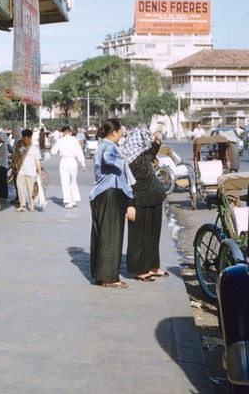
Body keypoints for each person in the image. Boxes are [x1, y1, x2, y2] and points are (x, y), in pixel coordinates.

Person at [89, 118, 134, 288]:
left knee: (103, 236)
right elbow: (108, 160)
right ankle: (109, 278)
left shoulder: (104, 145)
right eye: (120, 132)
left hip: (102, 195)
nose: (122, 135)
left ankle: (102, 274)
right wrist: (123, 160)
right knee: (111, 237)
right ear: (113, 132)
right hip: (109, 194)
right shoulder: (108, 147)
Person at [123, 128, 168, 282]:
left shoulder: (141, 155)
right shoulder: (127, 160)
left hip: (155, 197)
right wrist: (129, 205)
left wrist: (157, 142)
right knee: (138, 237)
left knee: (153, 235)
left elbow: (151, 154)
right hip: (138, 201)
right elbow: (126, 184)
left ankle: (153, 266)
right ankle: (139, 270)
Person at [51, 125, 87, 208]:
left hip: (64, 161)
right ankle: (74, 199)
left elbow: (53, 151)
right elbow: (79, 152)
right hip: (73, 161)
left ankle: (68, 201)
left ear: (63, 133)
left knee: (64, 181)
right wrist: (83, 164)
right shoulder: (75, 140)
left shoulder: (60, 140)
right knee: (73, 180)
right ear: (70, 132)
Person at [15, 129, 42, 212]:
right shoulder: (22, 148)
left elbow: (37, 161)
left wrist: (39, 172)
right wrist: (13, 166)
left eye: (27, 138)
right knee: (19, 187)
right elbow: (18, 157)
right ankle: (22, 205)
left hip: (31, 172)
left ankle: (31, 205)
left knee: (31, 190)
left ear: (30, 138)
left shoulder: (35, 149)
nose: (25, 140)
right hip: (21, 171)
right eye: (24, 138)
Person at [0, 130, 11, 201]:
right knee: (0, 180)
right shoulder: (5, 144)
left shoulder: (3, 145)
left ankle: (2, 195)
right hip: (1, 164)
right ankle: (1, 194)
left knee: (1, 181)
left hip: (1, 164)